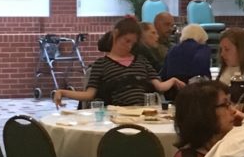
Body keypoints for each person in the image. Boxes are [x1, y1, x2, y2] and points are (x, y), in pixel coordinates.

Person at [53, 17, 184, 107]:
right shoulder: (101, 65)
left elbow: (159, 86)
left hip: (143, 112)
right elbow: (89, 94)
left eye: (133, 43)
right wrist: (63, 92)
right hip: (116, 115)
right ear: (116, 35)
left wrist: (172, 80)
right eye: (126, 41)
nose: (129, 46)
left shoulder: (142, 61)